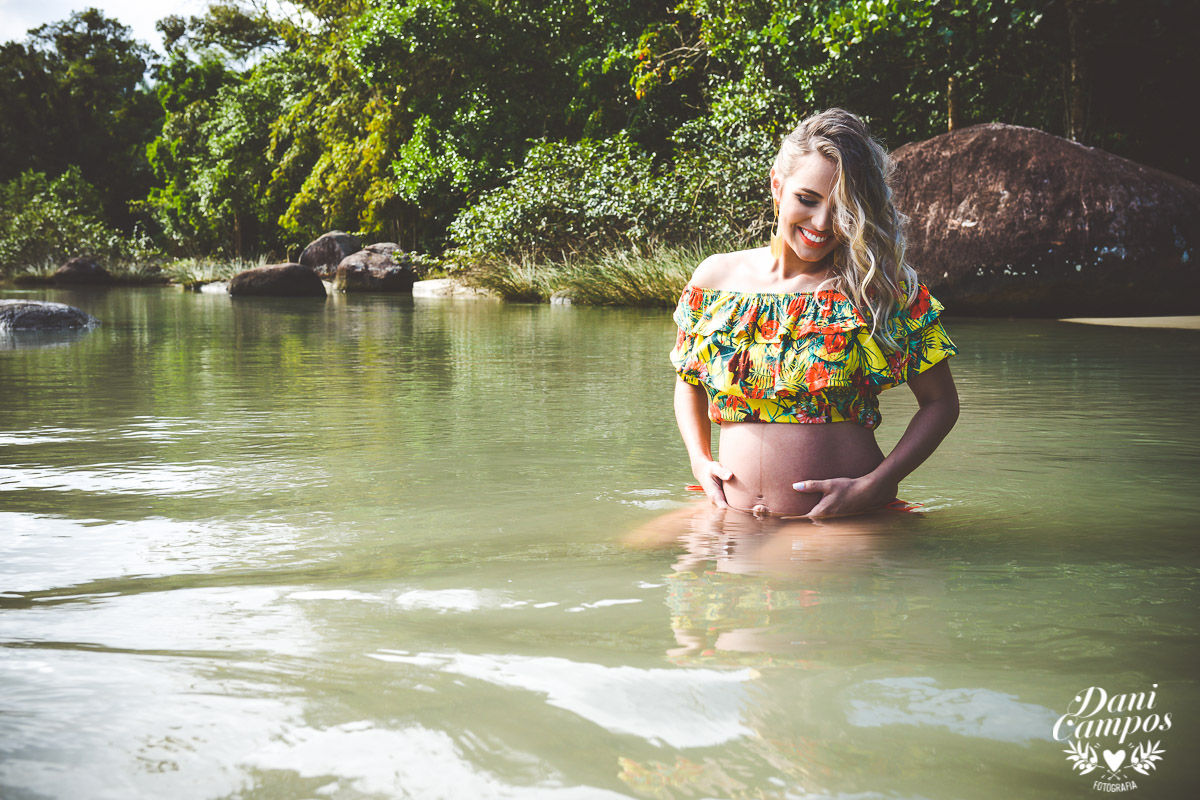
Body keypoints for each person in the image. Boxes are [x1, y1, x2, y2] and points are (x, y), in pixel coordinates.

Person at [670, 108, 959, 518]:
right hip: (730, 515)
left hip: (845, 519)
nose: (823, 222)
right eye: (807, 199)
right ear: (777, 185)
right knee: (623, 553)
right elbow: (689, 382)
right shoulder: (715, 278)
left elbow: (941, 403)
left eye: (843, 206)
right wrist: (699, 461)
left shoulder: (875, 289)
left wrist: (876, 485)